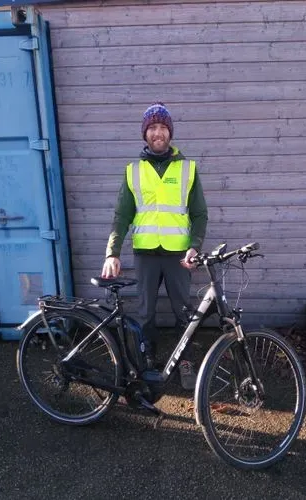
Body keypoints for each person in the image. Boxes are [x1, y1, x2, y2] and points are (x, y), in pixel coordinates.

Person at [101, 102, 208, 390]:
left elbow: (199, 214)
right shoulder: (133, 171)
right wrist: (112, 252)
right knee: (146, 312)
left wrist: (195, 246)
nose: (157, 133)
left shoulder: (188, 168)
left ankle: (185, 362)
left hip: (179, 255)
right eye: (152, 128)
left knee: (184, 312)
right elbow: (122, 216)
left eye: (162, 128)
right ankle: (148, 360)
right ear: (145, 134)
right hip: (146, 254)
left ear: (169, 133)